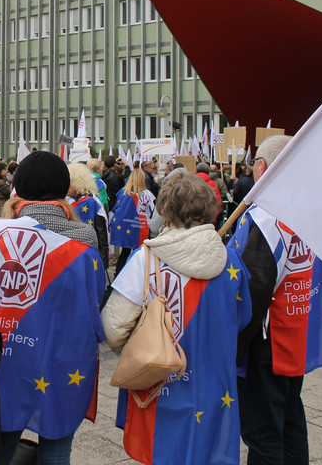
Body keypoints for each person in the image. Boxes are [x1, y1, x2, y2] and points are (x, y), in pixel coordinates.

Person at [102, 174, 251, 464]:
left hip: (158, 379)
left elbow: (113, 326)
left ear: (165, 209)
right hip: (213, 381)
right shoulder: (231, 260)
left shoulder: (146, 259)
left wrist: (135, 349)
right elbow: (242, 317)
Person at [0, 151, 105, 465]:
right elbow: (95, 298)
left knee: (0, 445)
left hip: (2, 356)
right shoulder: (85, 240)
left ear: (18, 187)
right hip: (65, 356)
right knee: (56, 448)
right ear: (65, 190)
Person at [228, 135, 322, 465]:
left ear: (263, 167)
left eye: (253, 165)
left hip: (267, 343)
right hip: (295, 331)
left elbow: (255, 287)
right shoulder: (307, 209)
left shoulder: (267, 217)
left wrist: (236, 344)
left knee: (263, 434)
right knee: (290, 422)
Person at [109, 168, 157, 276]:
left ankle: (119, 275)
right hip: (141, 227)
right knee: (140, 254)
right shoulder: (147, 194)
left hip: (126, 227)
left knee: (124, 253)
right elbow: (151, 211)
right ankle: (138, 276)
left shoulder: (123, 192)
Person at [67, 162, 109, 268]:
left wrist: (103, 262)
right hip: (70, 253)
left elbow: (101, 234)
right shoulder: (65, 201)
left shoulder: (93, 202)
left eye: (69, 182)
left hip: (88, 253)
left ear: (78, 183)